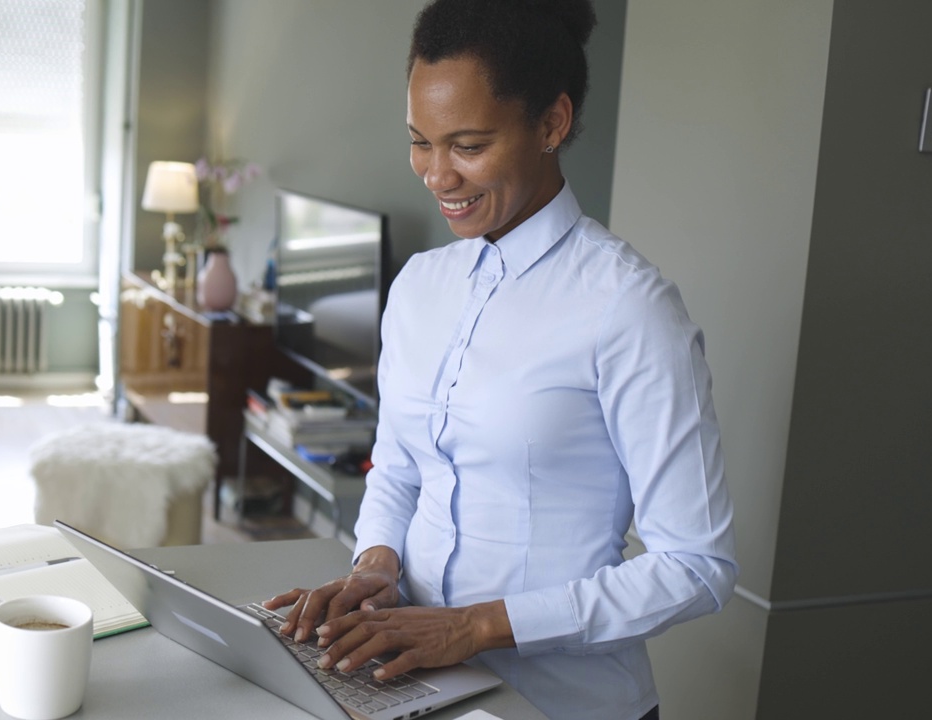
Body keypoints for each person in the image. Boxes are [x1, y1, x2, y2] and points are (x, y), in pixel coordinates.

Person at [262, 1, 738, 718]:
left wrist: (477, 625)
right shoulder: (420, 286)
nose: (437, 174)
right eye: (420, 142)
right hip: (415, 689)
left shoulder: (629, 307)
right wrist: (377, 566)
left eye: (469, 145)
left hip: (567, 705)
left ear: (552, 123)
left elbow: (698, 568)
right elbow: (396, 471)